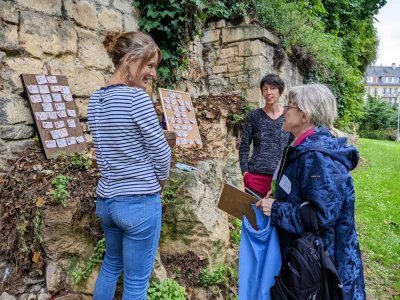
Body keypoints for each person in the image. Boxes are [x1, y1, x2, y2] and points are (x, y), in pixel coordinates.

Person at [257, 83, 366, 299]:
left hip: (323, 266)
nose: (285, 110)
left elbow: (321, 217)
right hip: (307, 257)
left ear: (304, 115)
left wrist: (277, 208)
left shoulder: (318, 157)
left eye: (290, 106)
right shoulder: (302, 146)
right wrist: (279, 196)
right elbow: (305, 193)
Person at [87, 31, 171, 300]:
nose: (153, 73)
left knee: (111, 265)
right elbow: (161, 151)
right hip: (139, 203)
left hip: (107, 201)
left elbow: (102, 150)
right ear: (129, 59)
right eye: (149, 65)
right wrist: (160, 182)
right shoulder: (137, 99)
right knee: (136, 285)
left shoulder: (96, 100)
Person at [239, 74, 292, 198]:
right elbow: (244, 146)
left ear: (280, 91)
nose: (269, 92)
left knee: (277, 215)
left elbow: (292, 147)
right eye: (265, 89)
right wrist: (245, 172)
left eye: (273, 88)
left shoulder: (288, 116)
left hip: (279, 177)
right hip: (254, 177)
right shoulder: (253, 116)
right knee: (252, 216)